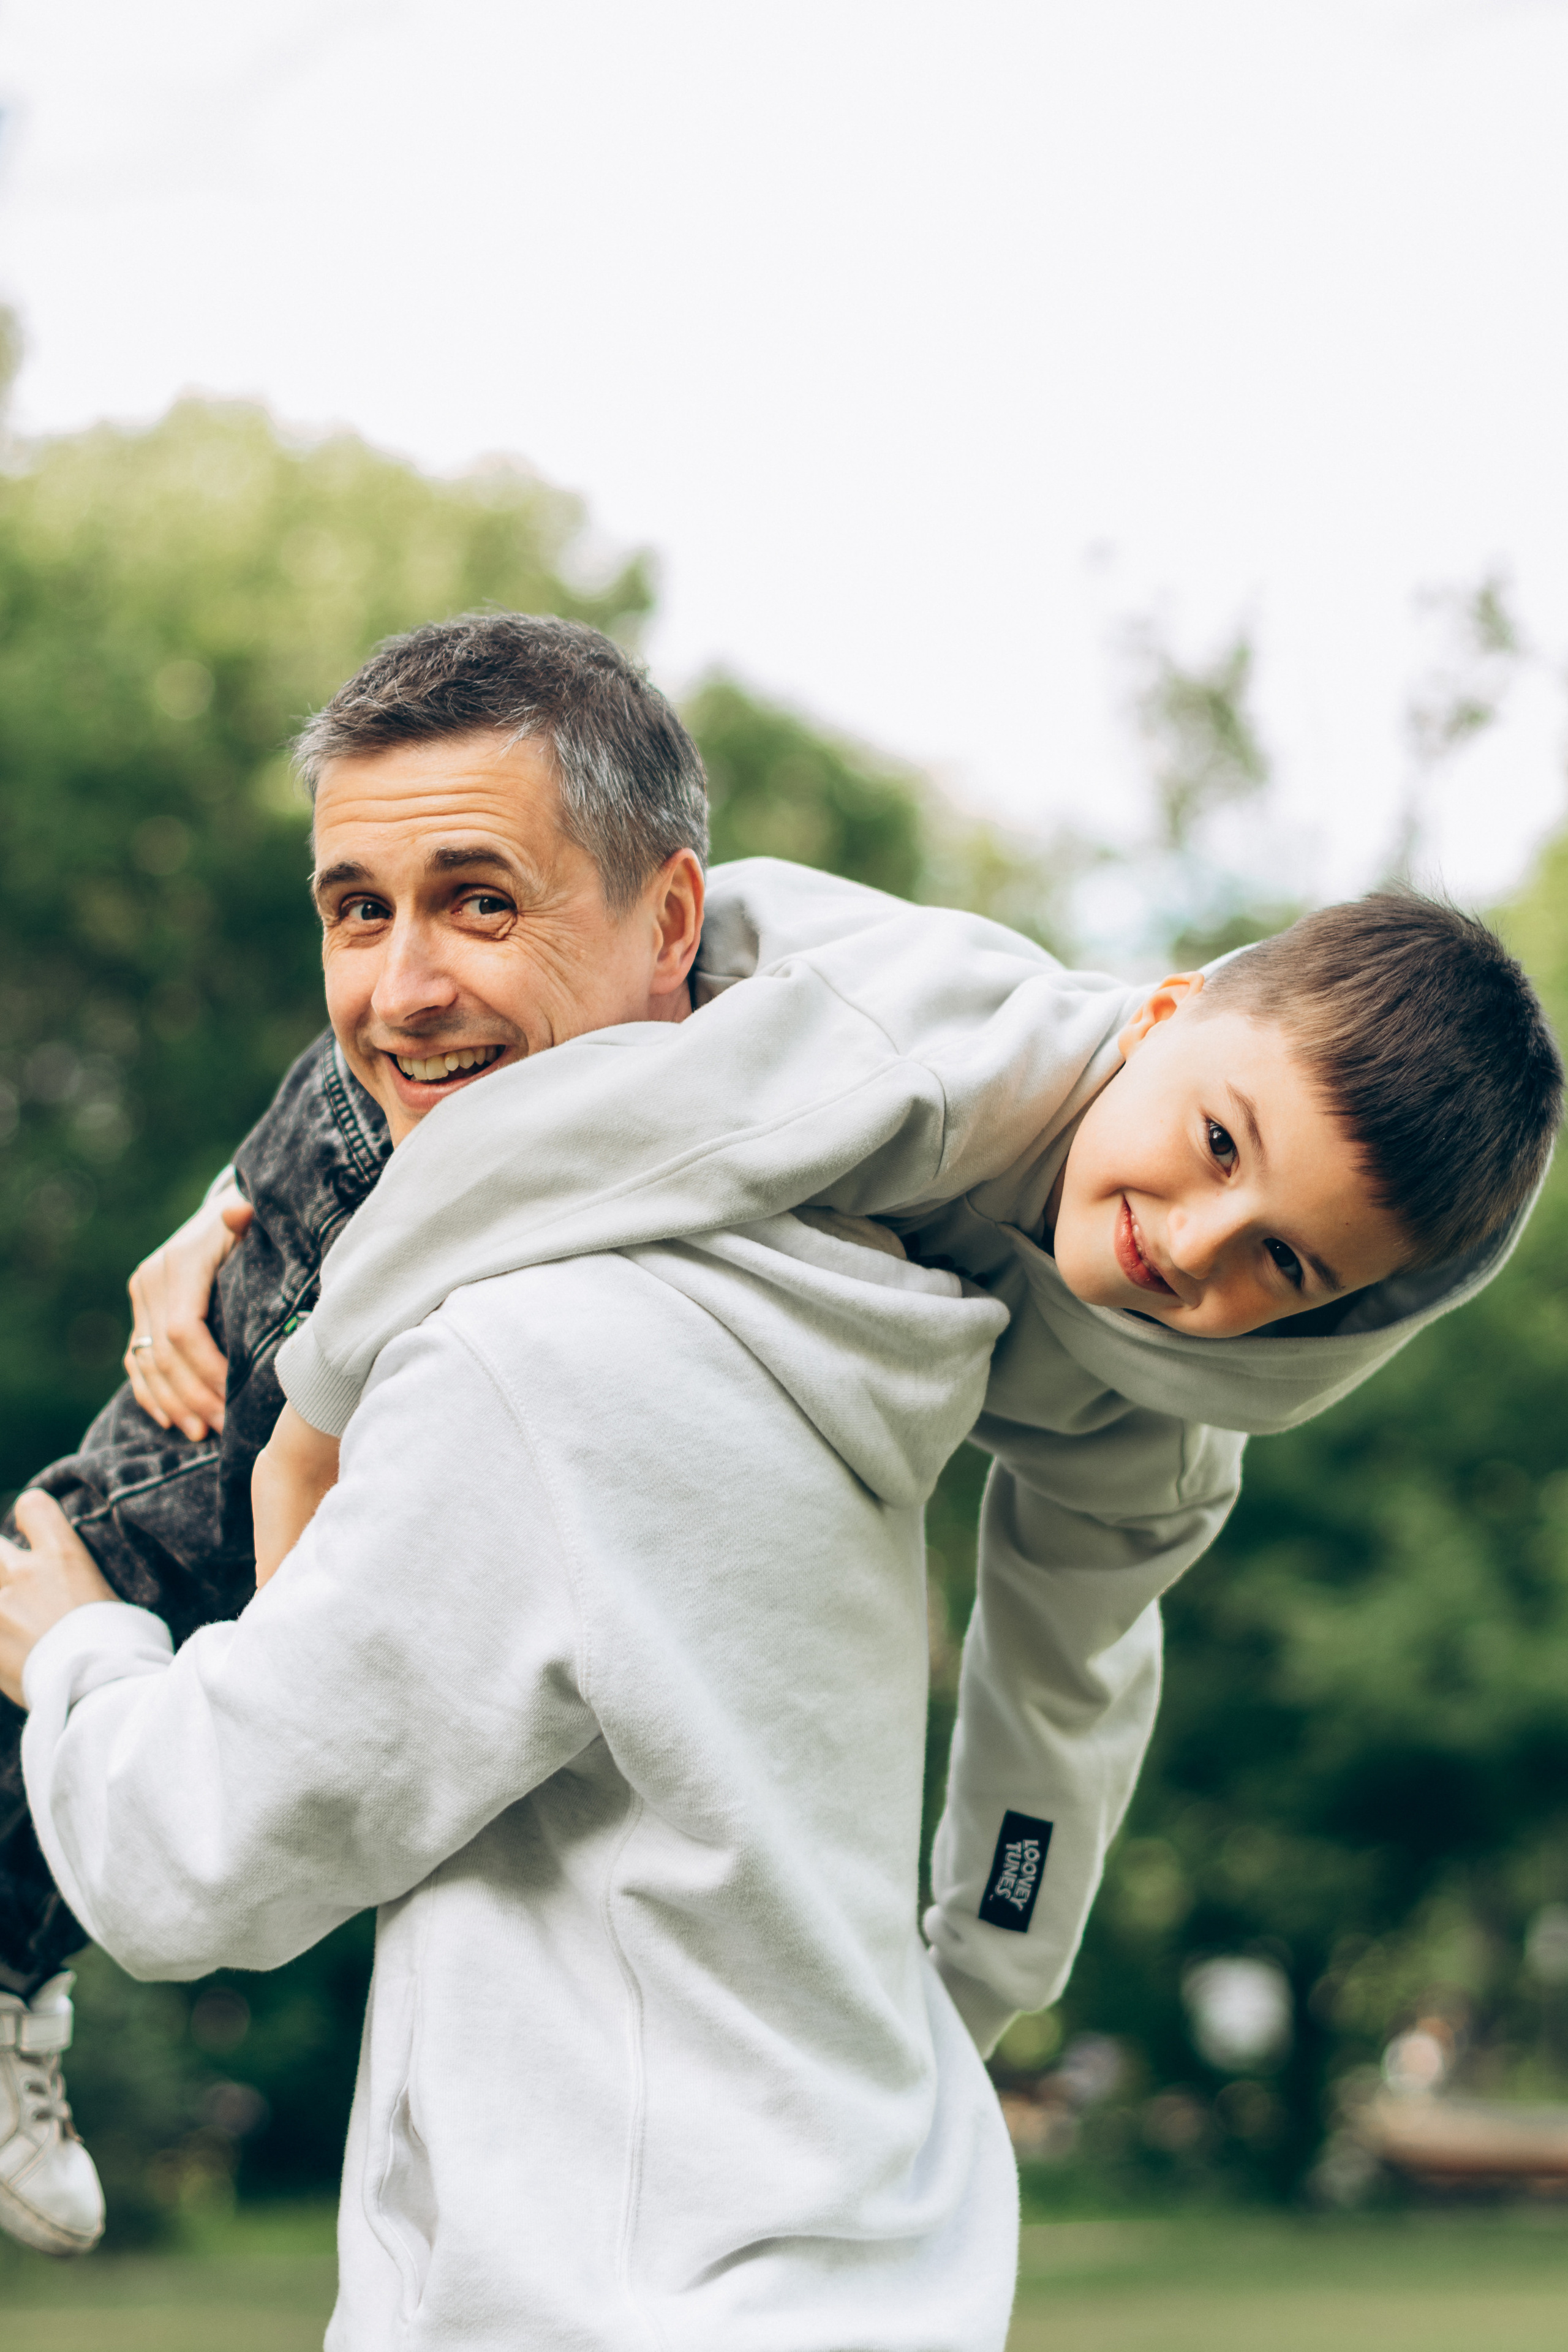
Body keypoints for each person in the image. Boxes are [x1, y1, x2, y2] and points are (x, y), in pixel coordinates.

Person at [0, 615, 1559, 2282]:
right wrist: (299, 1366)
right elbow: (554, 1145)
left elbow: (1069, 1707)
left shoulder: (1158, 1424)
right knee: (148, 1501)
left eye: (1290, 1267)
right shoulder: (916, 1052)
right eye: (1218, 1144)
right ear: (1166, 1014)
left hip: (528, 1105)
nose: (1197, 1243)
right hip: (507, 1088)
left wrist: (961, 1996)